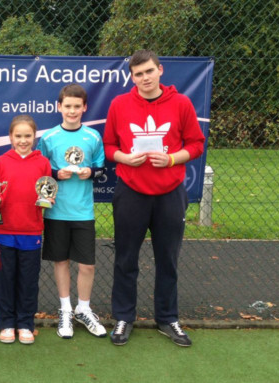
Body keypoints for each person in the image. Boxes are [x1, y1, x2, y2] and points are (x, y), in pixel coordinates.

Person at [103, 50, 205, 347]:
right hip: (131, 191)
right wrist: (125, 158)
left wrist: (172, 159)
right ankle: (123, 317)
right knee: (125, 259)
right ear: (131, 77)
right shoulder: (119, 104)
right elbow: (109, 146)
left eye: (149, 71)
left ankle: (167, 318)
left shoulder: (181, 103)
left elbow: (196, 144)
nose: (144, 78)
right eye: (138, 74)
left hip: (170, 192)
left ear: (160, 70)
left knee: (168, 259)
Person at [38, 83, 107, 339]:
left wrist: (91, 172)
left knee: (87, 265)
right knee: (61, 261)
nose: (72, 111)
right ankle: (65, 310)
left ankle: (84, 308)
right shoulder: (48, 138)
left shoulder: (93, 137)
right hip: (56, 212)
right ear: (59, 107)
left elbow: (102, 170)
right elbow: (41, 172)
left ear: (85, 108)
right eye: (68, 106)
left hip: (83, 212)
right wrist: (56, 174)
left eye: (77, 106)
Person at [0, 115, 52, 345]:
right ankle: (6, 323)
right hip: (5, 232)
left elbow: (46, 191)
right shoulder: (2, 161)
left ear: (34, 137)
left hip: (32, 231)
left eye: (28, 136)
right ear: (11, 137)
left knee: (28, 280)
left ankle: (25, 323)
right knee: (5, 279)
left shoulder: (42, 162)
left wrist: (49, 199)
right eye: (18, 136)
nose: (23, 140)